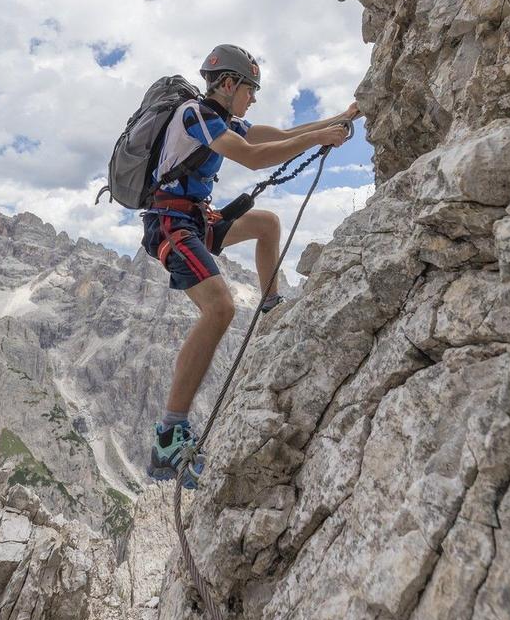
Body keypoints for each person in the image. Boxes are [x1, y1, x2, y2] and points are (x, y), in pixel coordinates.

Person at [142, 44, 360, 487]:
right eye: (250, 89)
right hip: (171, 223)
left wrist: (341, 118)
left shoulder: (225, 121)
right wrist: (319, 139)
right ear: (228, 83)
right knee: (219, 307)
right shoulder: (194, 114)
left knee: (266, 223)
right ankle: (168, 434)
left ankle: (271, 307)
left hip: (194, 218)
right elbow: (253, 157)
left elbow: (277, 135)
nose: (253, 97)